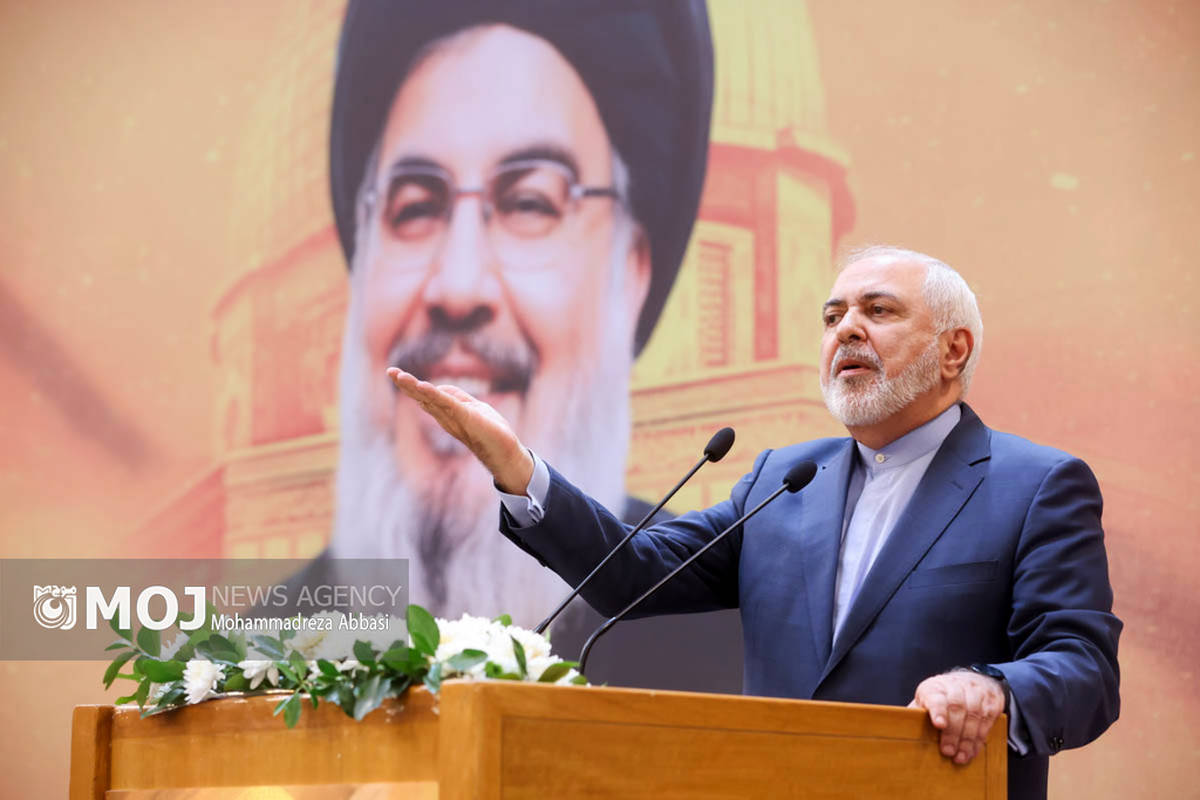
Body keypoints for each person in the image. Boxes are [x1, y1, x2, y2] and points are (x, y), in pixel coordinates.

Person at [388, 246, 1122, 800]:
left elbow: (1086, 668)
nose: (847, 330)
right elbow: (630, 577)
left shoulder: (1035, 485)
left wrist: (994, 690)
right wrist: (518, 468)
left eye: (878, 311)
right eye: (832, 317)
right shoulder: (784, 479)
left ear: (953, 349)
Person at [318, 0, 744, 690]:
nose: (458, 286)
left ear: (632, 270)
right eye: (415, 206)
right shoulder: (250, 657)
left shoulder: (724, 647)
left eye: (529, 203)